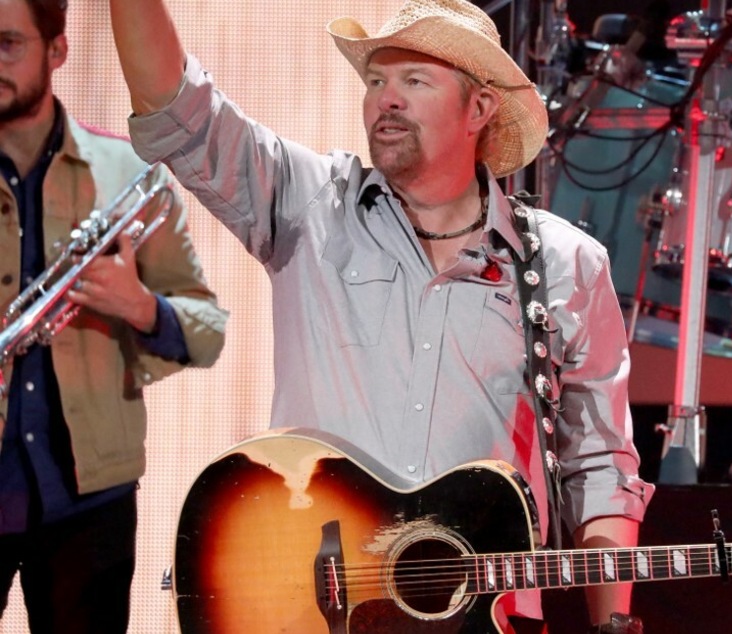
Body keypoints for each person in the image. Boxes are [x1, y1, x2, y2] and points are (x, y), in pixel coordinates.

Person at [108, 0, 653, 632]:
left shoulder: (567, 264)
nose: (384, 100)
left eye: (413, 81)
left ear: (478, 110)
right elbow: (176, 109)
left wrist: (612, 625)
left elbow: (599, 465)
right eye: (375, 81)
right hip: (311, 611)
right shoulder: (308, 205)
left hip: (483, 616)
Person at [0, 0, 228, 632]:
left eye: (9, 44)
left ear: (57, 51)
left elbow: (208, 332)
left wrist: (140, 306)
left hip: (88, 504)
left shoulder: (127, 173)